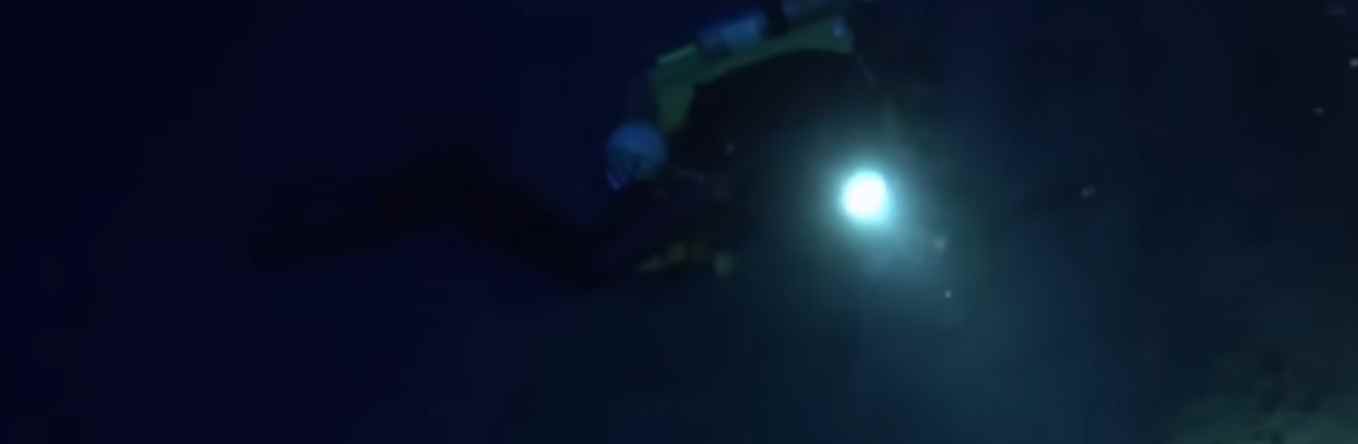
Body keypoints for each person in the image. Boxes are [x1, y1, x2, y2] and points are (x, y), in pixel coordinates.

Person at [248, 1, 898, 286]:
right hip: (679, 159)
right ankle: (400, 196)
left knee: (587, 257)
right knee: (585, 259)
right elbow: (709, 85)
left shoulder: (836, 74)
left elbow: (758, 161)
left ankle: (369, 206)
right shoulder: (829, 63)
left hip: (688, 169)